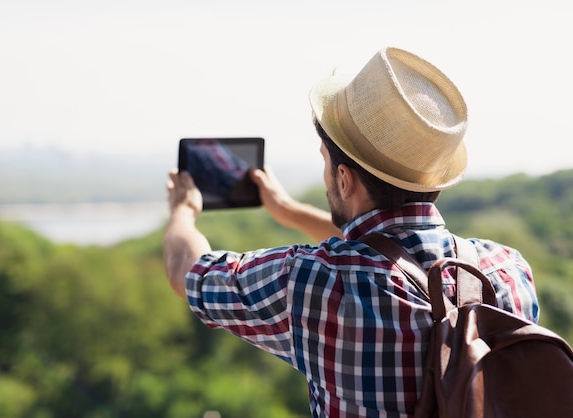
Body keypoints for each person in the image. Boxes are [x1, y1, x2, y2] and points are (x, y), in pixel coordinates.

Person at [163, 47, 539, 418]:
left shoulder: (313, 283)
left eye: (326, 162)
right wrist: (290, 211)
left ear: (344, 179)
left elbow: (187, 269)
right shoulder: (508, 272)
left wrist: (183, 211)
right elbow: (389, 250)